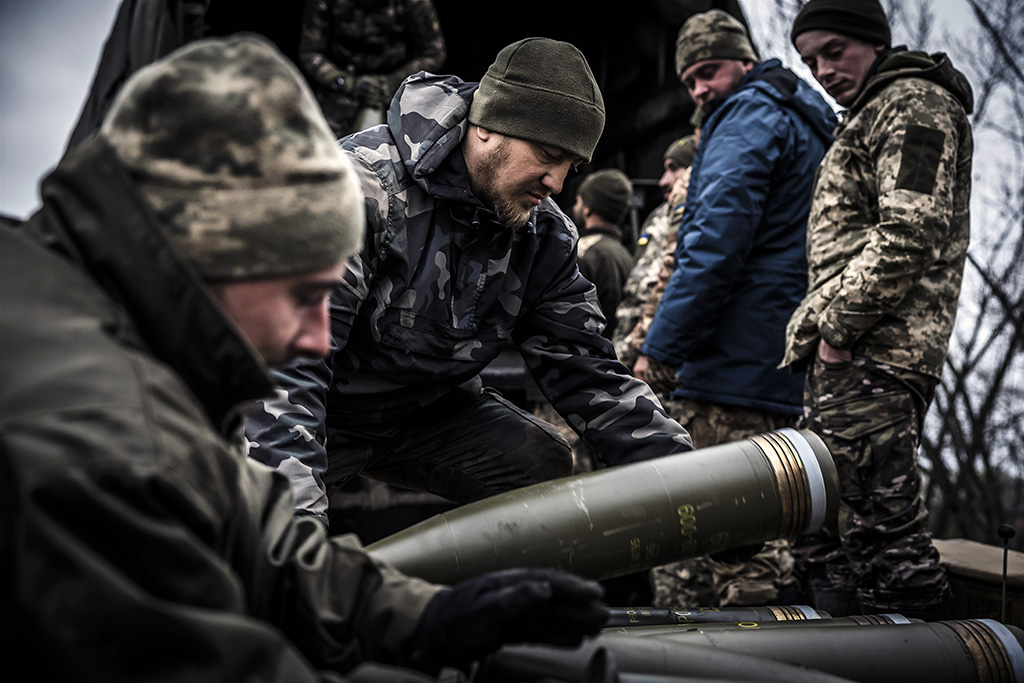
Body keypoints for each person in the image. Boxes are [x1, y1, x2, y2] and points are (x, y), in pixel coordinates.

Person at [0, 35, 610, 681]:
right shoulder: (106, 438)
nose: (321, 337)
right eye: (305, 295)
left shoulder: (140, 367)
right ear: (217, 252)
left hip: (409, 417)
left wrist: (424, 617)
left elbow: (265, 546)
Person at [247, 37, 694, 527]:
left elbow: (589, 373)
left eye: (572, 167)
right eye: (547, 154)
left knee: (538, 467)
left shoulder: (542, 236)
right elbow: (284, 371)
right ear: (486, 128)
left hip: (415, 416)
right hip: (313, 412)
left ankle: (499, 602)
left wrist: (697, 487)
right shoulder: (359, 189)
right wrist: (293, 537)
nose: (557, 184)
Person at [635, 9, 837, 608]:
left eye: (710, 71)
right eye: (689, 80)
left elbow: (714, 245)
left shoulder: (749, 115)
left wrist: (661, 349)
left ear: (745, 62)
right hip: (772, 356)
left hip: (731, 364)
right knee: (758, 531)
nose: (699, 89)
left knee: (736, 543)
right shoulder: (800, 116)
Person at [785, 0, 973, 617]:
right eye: (811, 60)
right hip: (853, 352)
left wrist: (837, 330)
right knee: (832, 533)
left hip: (878, 350)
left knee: (881, 537)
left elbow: (911, 228)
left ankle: (942, 653)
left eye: (834, 51)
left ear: (873, 41)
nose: (822, 70)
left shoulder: (915, 103)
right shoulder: (867, 113)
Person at [298, 0, 446, 137]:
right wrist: (347, 82)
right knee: (321, 147)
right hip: (340, 89)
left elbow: (433, 54)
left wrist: (394, 82)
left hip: (399, 90)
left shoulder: (414, 3)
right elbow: (310, 52)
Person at [613, 135, 695, 369]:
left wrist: (646, 349)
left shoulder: (695, 212)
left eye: (674, 169)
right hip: (629, 341)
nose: (663, 181)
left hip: (655, 349)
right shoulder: (658, 216)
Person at [572, 168, 636, 341]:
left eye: (578, 201)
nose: (574, 206)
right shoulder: (628, 256)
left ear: (588, 209)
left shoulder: (580, 252)